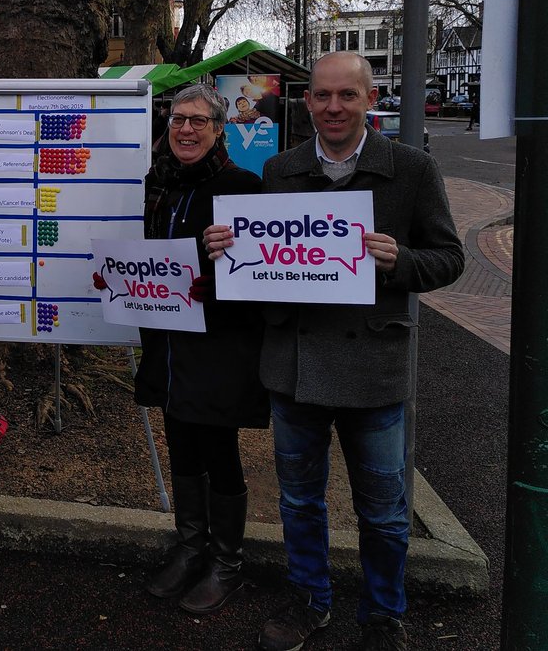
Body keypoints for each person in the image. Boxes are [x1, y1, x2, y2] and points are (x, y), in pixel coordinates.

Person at [204, 52, 465, 651]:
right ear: (307, 102)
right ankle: (309, 600)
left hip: (373, 368)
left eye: (347, 95)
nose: (333, 107)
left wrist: (401, 261)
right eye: (322, 95)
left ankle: (383, 617)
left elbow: (450, 258)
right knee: (299, 500)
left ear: (371, 99)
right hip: (294, 366)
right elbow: (264, 259)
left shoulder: (412, 169)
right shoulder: (280, 169)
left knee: (384, 510)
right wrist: (227, 248)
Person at [115, 84, 269, 614]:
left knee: (218, 448)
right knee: (180, 440)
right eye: (178, 119)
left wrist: (217, 285)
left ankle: (227, 562)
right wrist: (121, 279)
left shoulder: (242, 187)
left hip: (220, 342)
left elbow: (260, 268)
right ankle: (190, 547)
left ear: (218, 130)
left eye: (198, 121)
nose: (185, 129)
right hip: (167, 339)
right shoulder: (158, 183)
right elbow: (148, 256)